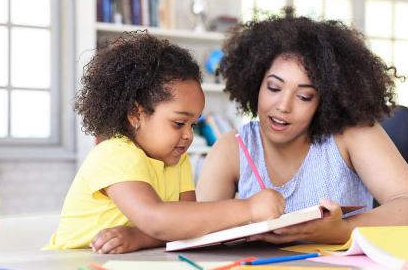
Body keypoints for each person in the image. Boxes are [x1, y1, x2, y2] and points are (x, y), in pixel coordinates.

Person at [196, 8, 408, 245]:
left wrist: (341, 230)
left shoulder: (351, 134)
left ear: (325, 100)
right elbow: (195, 233)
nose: (283, 106)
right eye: (274, 88)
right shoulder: (233, 148)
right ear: (256, 82)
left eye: (304, 96)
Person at [44, 32, 285, 254]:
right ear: (135, 115)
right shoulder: (114, 154)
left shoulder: (177, 161)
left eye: (193, 125)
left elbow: (187, 225)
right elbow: (157, 220)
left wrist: (138, 237)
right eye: (179, 123)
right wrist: (249, 209)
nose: (189, 135)